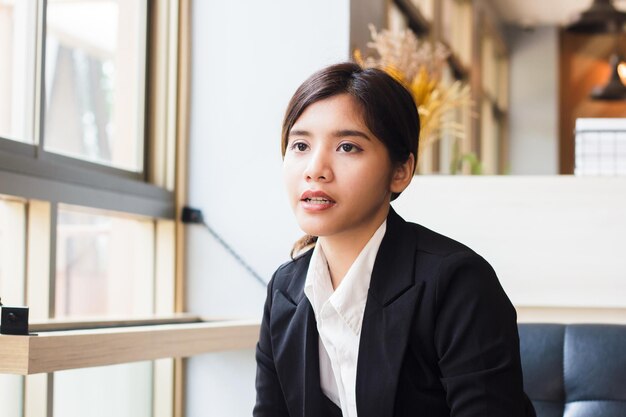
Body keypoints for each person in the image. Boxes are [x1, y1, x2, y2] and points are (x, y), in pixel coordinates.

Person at [254, 62, 536, 417]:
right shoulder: (285, 289)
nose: (315, 168)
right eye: (299, 145)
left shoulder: (457, 282)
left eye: (347, 147)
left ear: (400, 171)